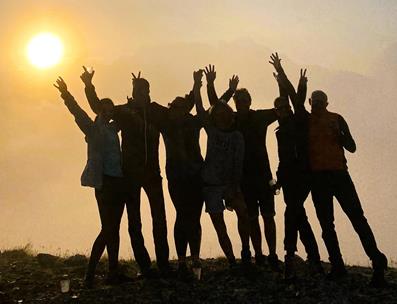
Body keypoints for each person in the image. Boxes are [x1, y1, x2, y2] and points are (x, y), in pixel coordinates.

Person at [272, 59, 388, 286]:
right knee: (328, 225)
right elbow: (291, 96)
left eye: (320, 102)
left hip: (339, 176)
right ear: (310, 102)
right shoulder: (305, 120)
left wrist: (340, 135)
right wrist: (282, 73)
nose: (317, 105)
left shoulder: (337, 118)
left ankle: (377, 261)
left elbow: (352, 147)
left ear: (326, 103)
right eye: (314, 102)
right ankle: (337, 266)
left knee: (357, 219)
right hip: (319, 179)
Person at [81, 68, 170, 277]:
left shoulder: (156, 111)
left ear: (148, 91)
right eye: (137, 89)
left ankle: (163, 264)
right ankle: (146, 266)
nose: (140, 93)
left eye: (143, 89)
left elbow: (180, 113)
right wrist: (88, 85)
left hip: (151, 173)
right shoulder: (125, 111)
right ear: (134, 90)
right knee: (135, 222)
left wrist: (198, 89)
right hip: (130, 175)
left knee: (159, 219)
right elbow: (98, 108)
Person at [53, 77, 130, 287]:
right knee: (108, 228)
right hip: (104, 183)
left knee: (114, 229)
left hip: (118, 181)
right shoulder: (93, 129)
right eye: (105, 109)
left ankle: (112, 272)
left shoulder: (114, 129)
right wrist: (66, 94)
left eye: (110, 109)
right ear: (99, 112)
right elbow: (78, 113)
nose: (109, 112)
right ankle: (90, 274)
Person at [205, 65, 279, 269]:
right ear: (236, 104)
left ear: (250, 102)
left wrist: (281, 79)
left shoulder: (259, 117)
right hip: (242, 177)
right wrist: (218, 86)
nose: (243, 104)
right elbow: (217, 106)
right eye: (240, 101)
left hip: (262, 175)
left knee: (268, 217)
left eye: (245, 101)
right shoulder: (233, 120)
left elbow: (283, 107)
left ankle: (271, 254)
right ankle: (255, 253)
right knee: (251, 217)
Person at [269, 53, 322, 280]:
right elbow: (283, 158)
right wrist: (279, 178)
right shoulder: (282, 130)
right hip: (290, 177)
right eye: (279, 108)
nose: (283, 110)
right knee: (298, 215)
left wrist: (282, 74)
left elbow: (291, 97)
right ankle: (312, 259)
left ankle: (291, 256)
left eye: (284, 108)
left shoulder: (298, 120)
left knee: (292, 213)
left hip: (303, 175)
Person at [145, 81, 204, 277]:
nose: (174, 110)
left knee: (193, 217)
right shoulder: (168, 124)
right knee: (184, 215)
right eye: (173, 107)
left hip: (194, 176)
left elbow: (211, 110)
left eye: (177, 108)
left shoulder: (190, 122)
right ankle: (183, 260)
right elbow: (151, 106)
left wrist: (197, 88)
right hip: (180, 178)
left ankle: (193, 257)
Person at [193, 69, 251, 268]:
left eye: (224, 113)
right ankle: (232, 260)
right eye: (218, 114)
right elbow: (202, 106)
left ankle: (245, 250)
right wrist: (199, 85)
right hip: (211, 184)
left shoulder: (237, 137)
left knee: (243, 214)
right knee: (220, 225)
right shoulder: (213, 130)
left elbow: (238, 164)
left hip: (228, 183)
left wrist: (234, 187)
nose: (221, 116)